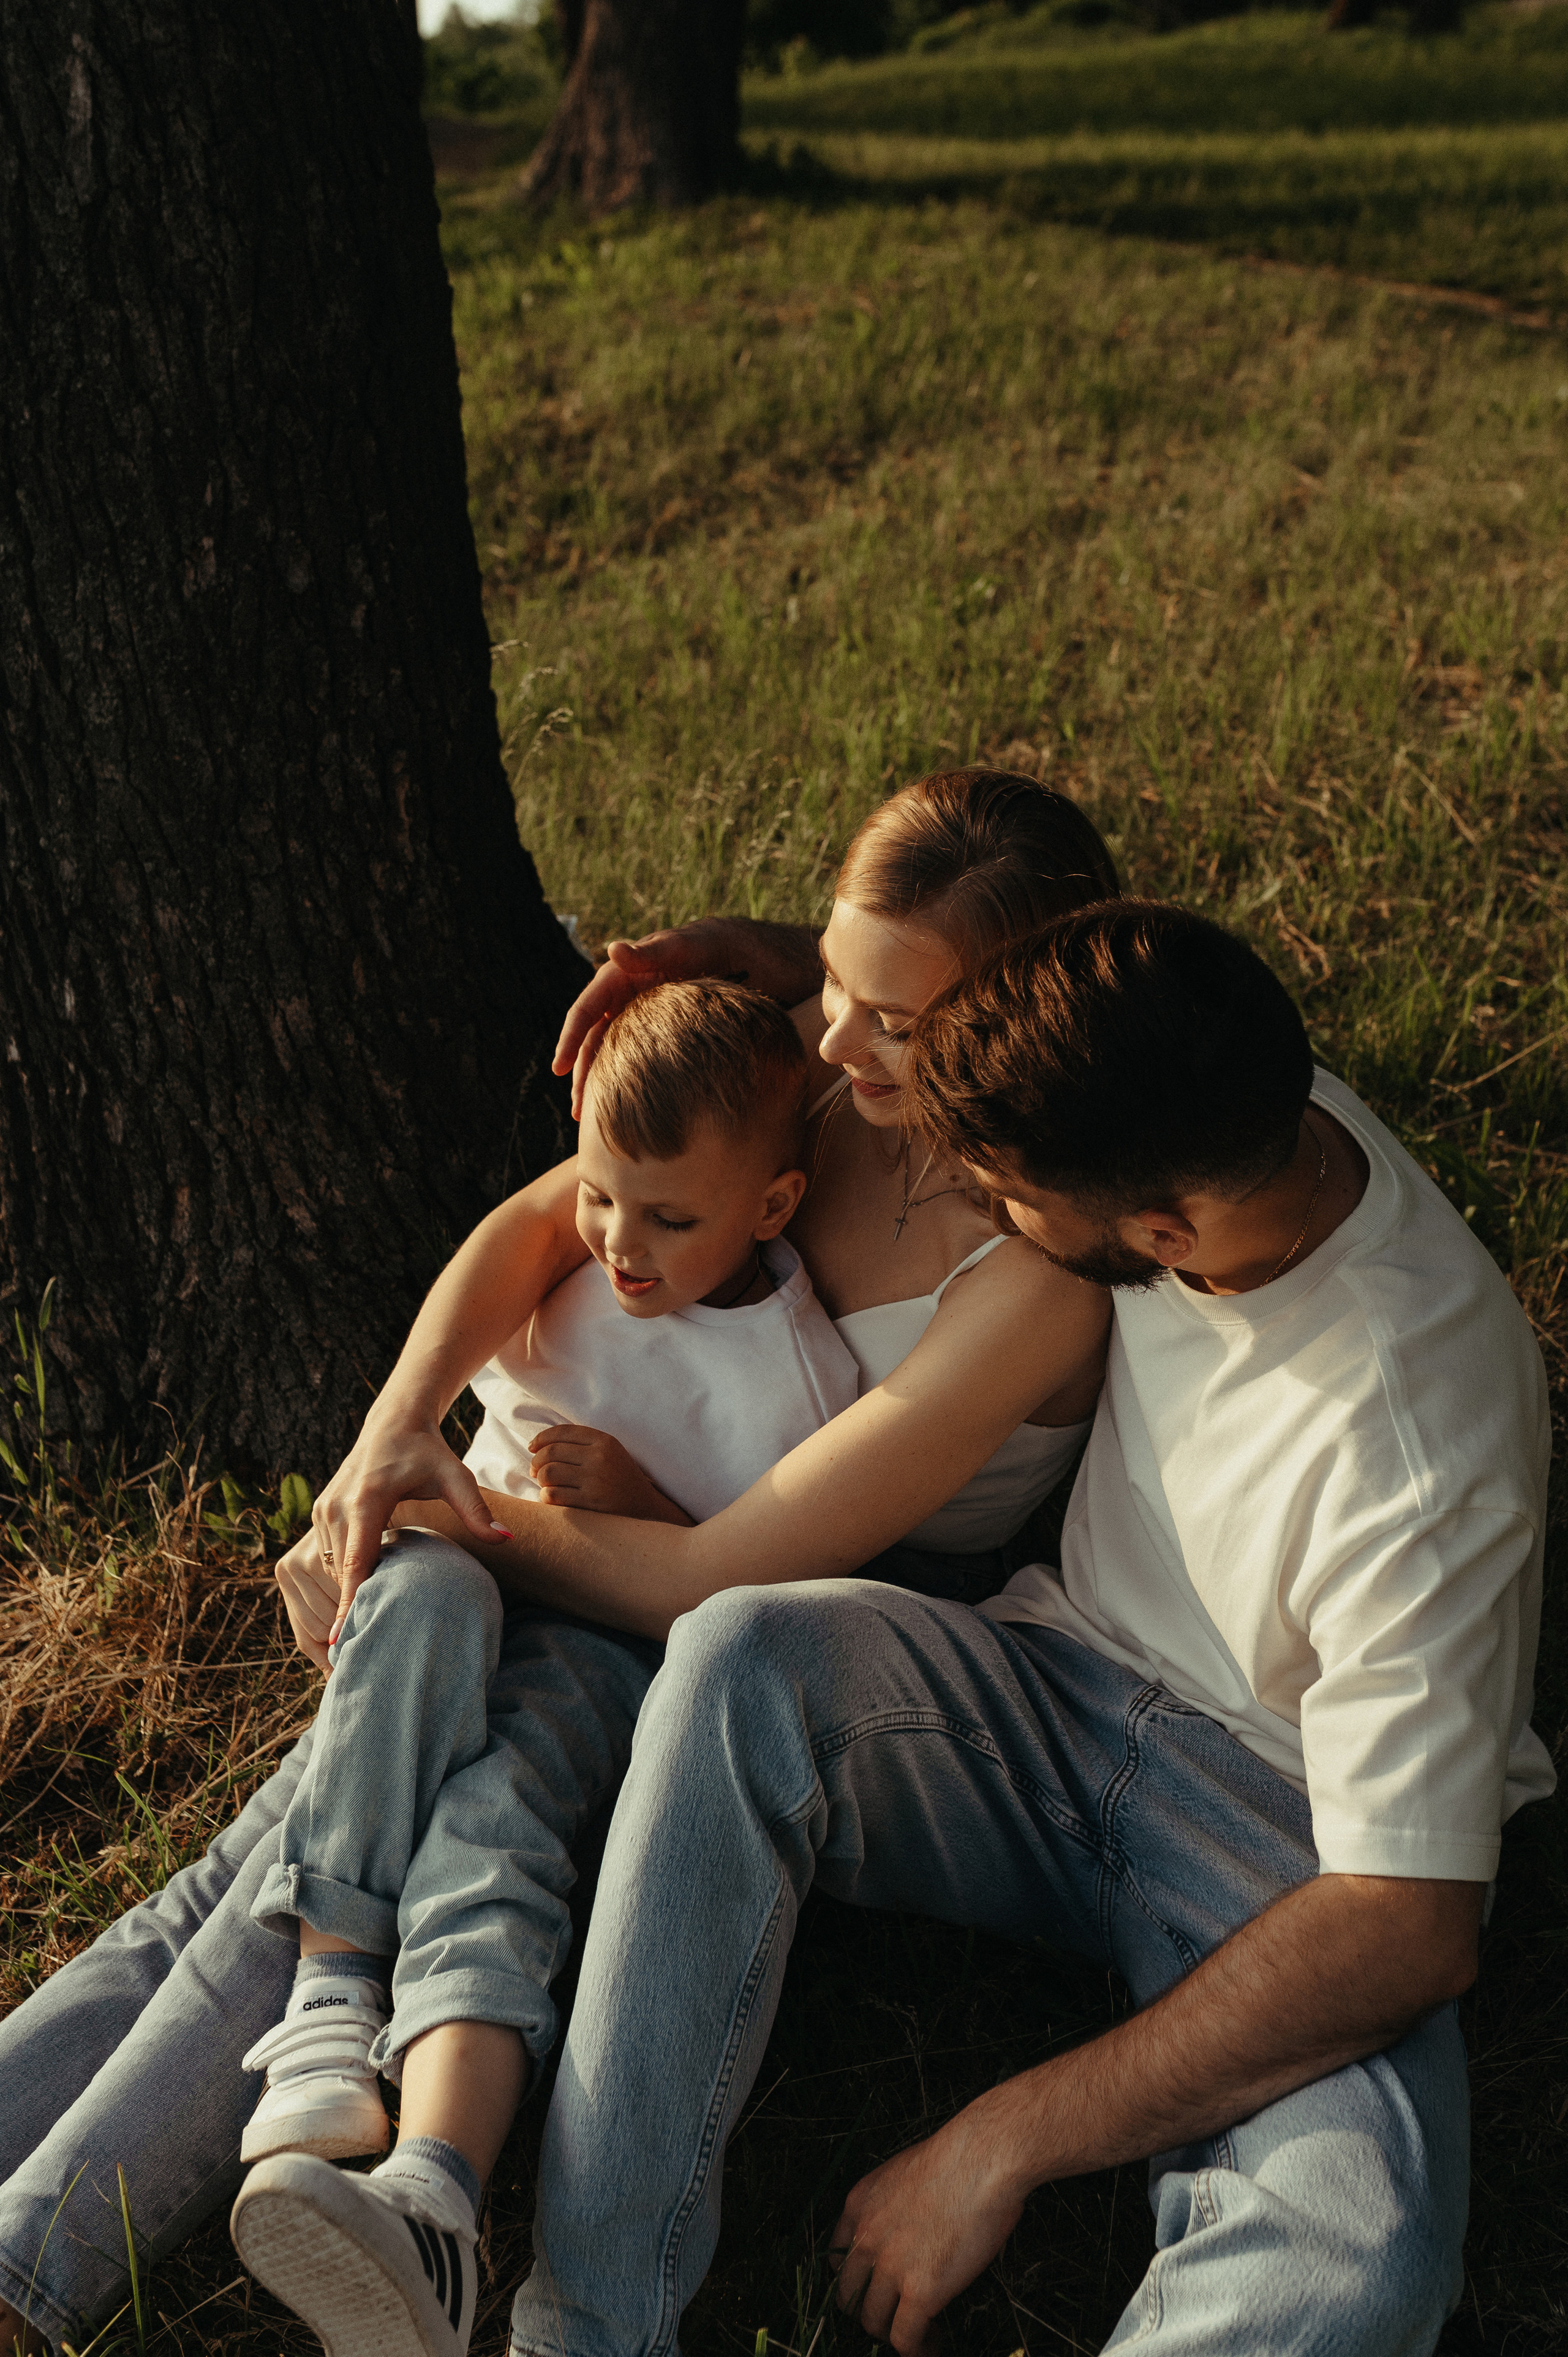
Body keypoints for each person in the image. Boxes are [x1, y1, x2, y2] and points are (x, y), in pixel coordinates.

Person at [0, 770, 1110, 2357]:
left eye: (883, 1015)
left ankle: (32, 2278)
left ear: (1009, 1017)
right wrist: (395, 1436)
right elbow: (541, 1223)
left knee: (344, 1870)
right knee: (270, 1862)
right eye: (833, 989)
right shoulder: (831, 1075)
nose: (830, 1035)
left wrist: (460, 1519)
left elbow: (720, 1571)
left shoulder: (1032, 1273)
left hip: (737, 1632)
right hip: (565, 1539)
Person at [490, 900, 1552, 2357]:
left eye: (1013, 1208)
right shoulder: (1206, 1080)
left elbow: (1406, 1926)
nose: (979, 1219)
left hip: (1292, 1847)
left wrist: (1003, 2136)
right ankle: (588, 2327)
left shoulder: (1416, 1449)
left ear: (1164, 1235)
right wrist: (797, 965)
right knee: (742, 1655)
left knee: (1349, 2265)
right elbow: (1031, 964)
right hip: (1048, 1680)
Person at [225, 982, 862, 2357]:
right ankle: (333, 1995)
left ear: (771, 1205)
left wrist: (639, 1498)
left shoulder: (798, 1380)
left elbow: (765, 1597)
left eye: (669, 1220)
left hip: (609, 1649)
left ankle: (434, 2186)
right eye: (597, 1196)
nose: (621, 1248)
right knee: (421, 1603)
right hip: (461, 1593)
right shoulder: (567, 1268)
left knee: (489, 1830)